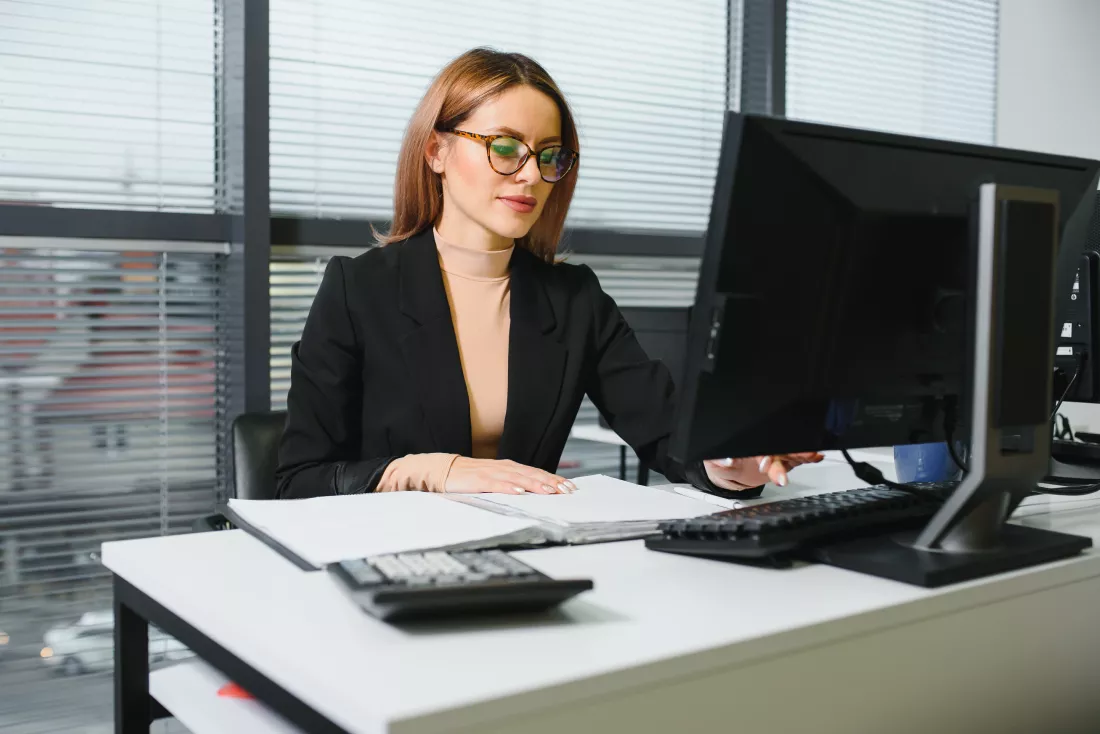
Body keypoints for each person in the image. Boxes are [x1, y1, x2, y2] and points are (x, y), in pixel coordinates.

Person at [275, 48, 822, 501]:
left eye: (550, 156)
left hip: (529, 568)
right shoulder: (358, 288)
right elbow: (298, 481)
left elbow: (669, 437)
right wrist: (433, 471)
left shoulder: (573, 297)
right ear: (436, 151)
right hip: (387, 569)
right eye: (505, 148)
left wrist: (737, 462)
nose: (532, 176)